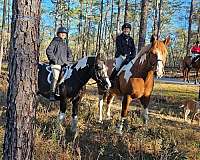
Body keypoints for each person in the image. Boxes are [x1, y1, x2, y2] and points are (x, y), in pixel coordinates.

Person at [46, 26, 73, 101]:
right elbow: (48, 51)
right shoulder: (55, 41)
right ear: (58, 34)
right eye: (62, 33)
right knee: (56, 76)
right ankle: (52, 93)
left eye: (65, 33)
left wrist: (68, 62)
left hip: (65, 65)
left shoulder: (65, 45)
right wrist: (54, 60)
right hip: (56, 64)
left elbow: (70, 54)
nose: (63, 34)